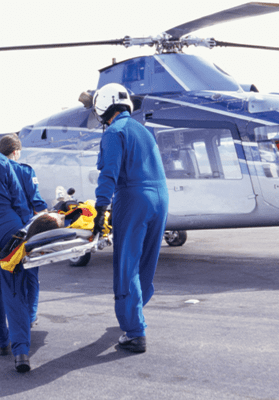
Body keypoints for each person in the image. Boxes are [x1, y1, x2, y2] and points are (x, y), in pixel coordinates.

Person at [92, 83, 169, 352]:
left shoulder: (115, 132)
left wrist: (101, 210)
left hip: (134, 198)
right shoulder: (144, 131)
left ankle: (135, 331)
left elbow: (109, 173)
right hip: (161, 197)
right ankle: (134, 311)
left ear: (103, 106)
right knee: (147, 262)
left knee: (127, 265)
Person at [0, 134, 48, 332]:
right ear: (15, 151)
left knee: (7, 282)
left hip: (5, 230)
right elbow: (35, 202)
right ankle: (29, 317)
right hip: (24, 230)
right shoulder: (25, 171)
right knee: (30, 275)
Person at [0, 152, 31, 372]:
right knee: (14, 290)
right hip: (8, 228)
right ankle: (21, 352)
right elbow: (19, 198)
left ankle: (2, 342)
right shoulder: (3, 162)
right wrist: (27, 227)